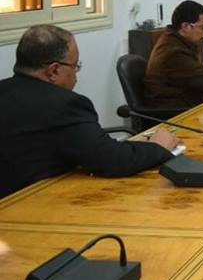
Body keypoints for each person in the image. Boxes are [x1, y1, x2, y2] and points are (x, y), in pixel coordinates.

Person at [0, 25, 177, 199]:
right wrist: (157, 147)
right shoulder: (64, 105)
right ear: (54, 70)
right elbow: (112, 160)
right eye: (75, 66)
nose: (76, 75)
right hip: (31, 205)